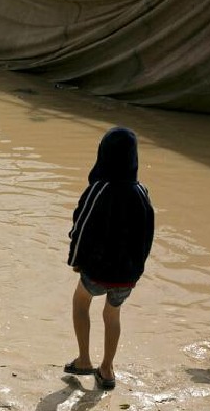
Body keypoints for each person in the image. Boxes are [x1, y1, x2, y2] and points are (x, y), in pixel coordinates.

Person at [64, 127, 154, 390]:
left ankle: (83, 359)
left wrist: (75, 261)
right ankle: (107, 369)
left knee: (81, 302)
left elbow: (81, 226)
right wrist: (138, 270)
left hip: (98, 269)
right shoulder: (141, 191)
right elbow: (147, 233)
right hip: (127, 274)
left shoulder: (99, 189)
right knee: (113, 315)